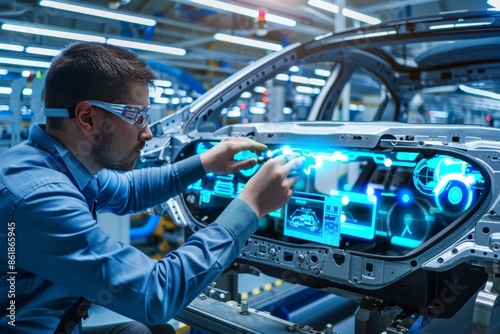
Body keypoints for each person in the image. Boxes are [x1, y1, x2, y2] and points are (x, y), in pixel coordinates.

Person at [0, 42, 303, 334]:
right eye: (138, 117)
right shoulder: (38, 198)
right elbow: (155, 294)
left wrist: (205, 162)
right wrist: (251, 206)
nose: (146, 133)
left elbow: (130, 191)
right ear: (87, 118)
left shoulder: (52, 163)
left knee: (151, 331)